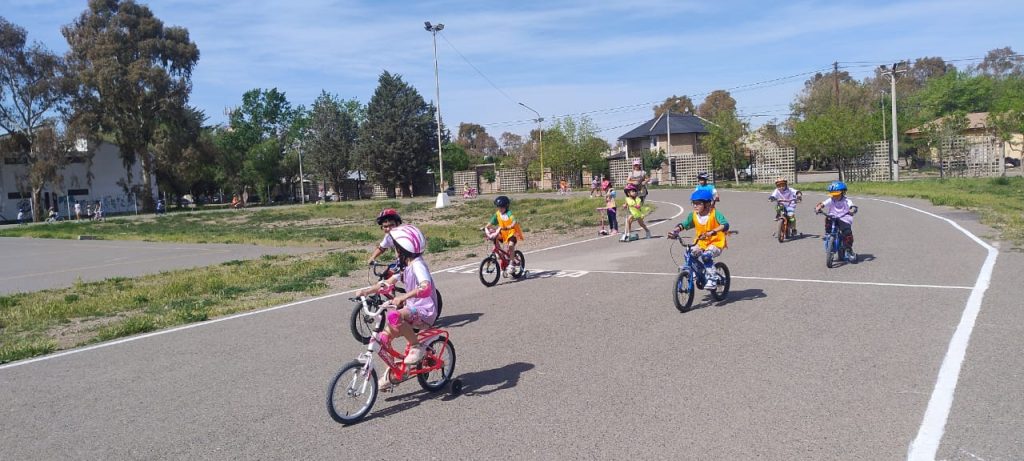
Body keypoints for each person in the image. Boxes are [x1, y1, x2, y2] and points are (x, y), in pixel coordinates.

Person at [354, 224, 438, 390]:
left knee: (394, 315)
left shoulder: (417, 265)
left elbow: (425, 287)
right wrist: (367, 291)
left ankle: (416, 346)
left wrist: (403, 297)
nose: (394, 251)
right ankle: (396, 371)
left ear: (402, 249)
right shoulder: (404, 265)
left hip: (425, 310)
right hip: (412, 309)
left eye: (396, 248)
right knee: (382, 340)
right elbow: (387, 284)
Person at [667, 189, 730, 289]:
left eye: (698, 203)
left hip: (716, 243)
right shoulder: (694, 215)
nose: (695, 206)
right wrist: (675, 231)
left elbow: (725, 225)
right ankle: (696, 272)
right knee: (689, 253)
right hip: (701, 243)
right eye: (693, 203)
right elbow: (684, 224)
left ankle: (713, 278)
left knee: (706, 256)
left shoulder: (714, 213)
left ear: (707, 204)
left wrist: (712, 232)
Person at [815, 181, 857, 261]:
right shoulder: (831, 199)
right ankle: (828, 234)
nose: (835, 196)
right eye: (833, 195)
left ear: (843, 192)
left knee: (847, 233)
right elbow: (823, 204)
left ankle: (849, 250)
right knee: (828, 219)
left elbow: (852, 206)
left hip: (844, 218)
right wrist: (818, 207)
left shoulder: (847, 201)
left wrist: (852, 210)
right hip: (832, 216)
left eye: (837, 195)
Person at [484, 195, 524, 276]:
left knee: (511, 245)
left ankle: (512, 264)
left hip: (512, 232)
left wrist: (511, 225)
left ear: (506, 206)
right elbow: (491, 222)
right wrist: (486, 227)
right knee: (494, 237)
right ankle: (498, 252)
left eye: (502, 207)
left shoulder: (509, 213)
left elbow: (513, 220)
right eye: (498, 207)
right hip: (503, 233)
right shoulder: (497, 214)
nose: (500, 209)